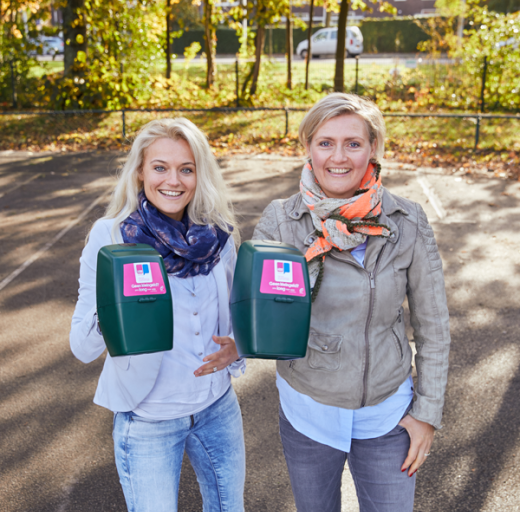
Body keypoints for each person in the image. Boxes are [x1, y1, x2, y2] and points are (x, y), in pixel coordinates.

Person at [253, 93, 451, 512]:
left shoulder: (407, 220)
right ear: (308, 147)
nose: (337, 157)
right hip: (309, 411)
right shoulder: (280, 221)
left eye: (353, 143)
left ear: (373, 149)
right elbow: (256, 312)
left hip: (388, 413)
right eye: (325, 142)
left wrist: (427, 413)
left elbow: (433, 325)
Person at [70, 118, 246, 512]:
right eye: (160, 167)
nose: (174, 180)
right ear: (139, 173)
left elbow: (237, 317)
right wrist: (114, 306)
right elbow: (81, 347)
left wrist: (239, 347)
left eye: (187, 168)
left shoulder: (217, 236)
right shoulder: (111, 236)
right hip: (149, 416)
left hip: (216, 407)